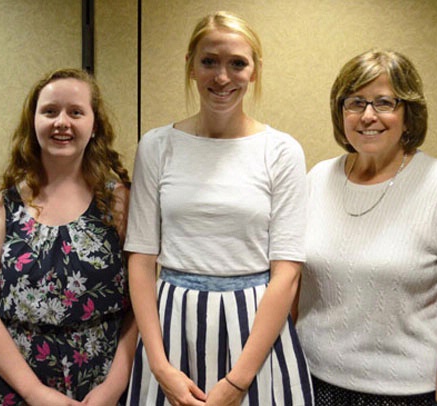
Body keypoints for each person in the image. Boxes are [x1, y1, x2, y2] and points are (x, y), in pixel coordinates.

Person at [126, 11, 313, 406]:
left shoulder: (281, 151)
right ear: (191, 67)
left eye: (237, 64)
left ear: (255, 71)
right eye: (209, 61)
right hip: (172, 326)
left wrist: (238, 382)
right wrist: (160, 368)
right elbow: (141, 259)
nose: (222, 77)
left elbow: (288, 273)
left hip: (256, 333)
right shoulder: (157, 146)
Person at [296, 49, 437, 406]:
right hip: (313, 382)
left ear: (409, 114)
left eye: (384, 102)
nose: (368, 116)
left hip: (408, 394)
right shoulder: (317, 179)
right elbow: (293, 287)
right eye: (356, 102)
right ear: (341, 113)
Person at [0, 68, 136, 405]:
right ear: (34, 121)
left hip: (100, 387)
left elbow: (140, 306)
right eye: (50, 111)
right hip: (15, 388)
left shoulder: (119, 203)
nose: (62, 122)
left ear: (94, 125)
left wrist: (113, 386)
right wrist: (35, 392)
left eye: (75, 112)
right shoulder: (3, 207)